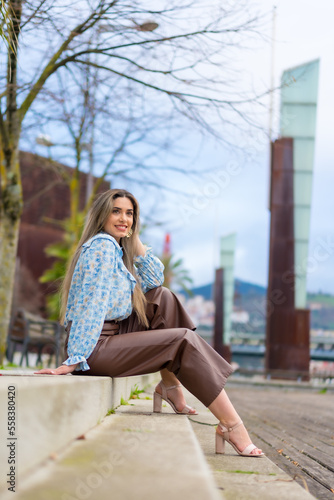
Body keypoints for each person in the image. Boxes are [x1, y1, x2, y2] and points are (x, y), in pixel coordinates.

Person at [35, 189, 264, 457]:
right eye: (116, 211)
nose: (124, 218)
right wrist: (75, 358)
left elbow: (155, 280)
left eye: (129, 213)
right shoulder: (102, 248)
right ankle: (231, 424)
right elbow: (93, 304)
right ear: (101, 215)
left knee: (162, 298)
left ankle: (170, 385)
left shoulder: (116, 246)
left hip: (114, 332)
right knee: (181, 340)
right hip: (95, 348)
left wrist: (130, 235)